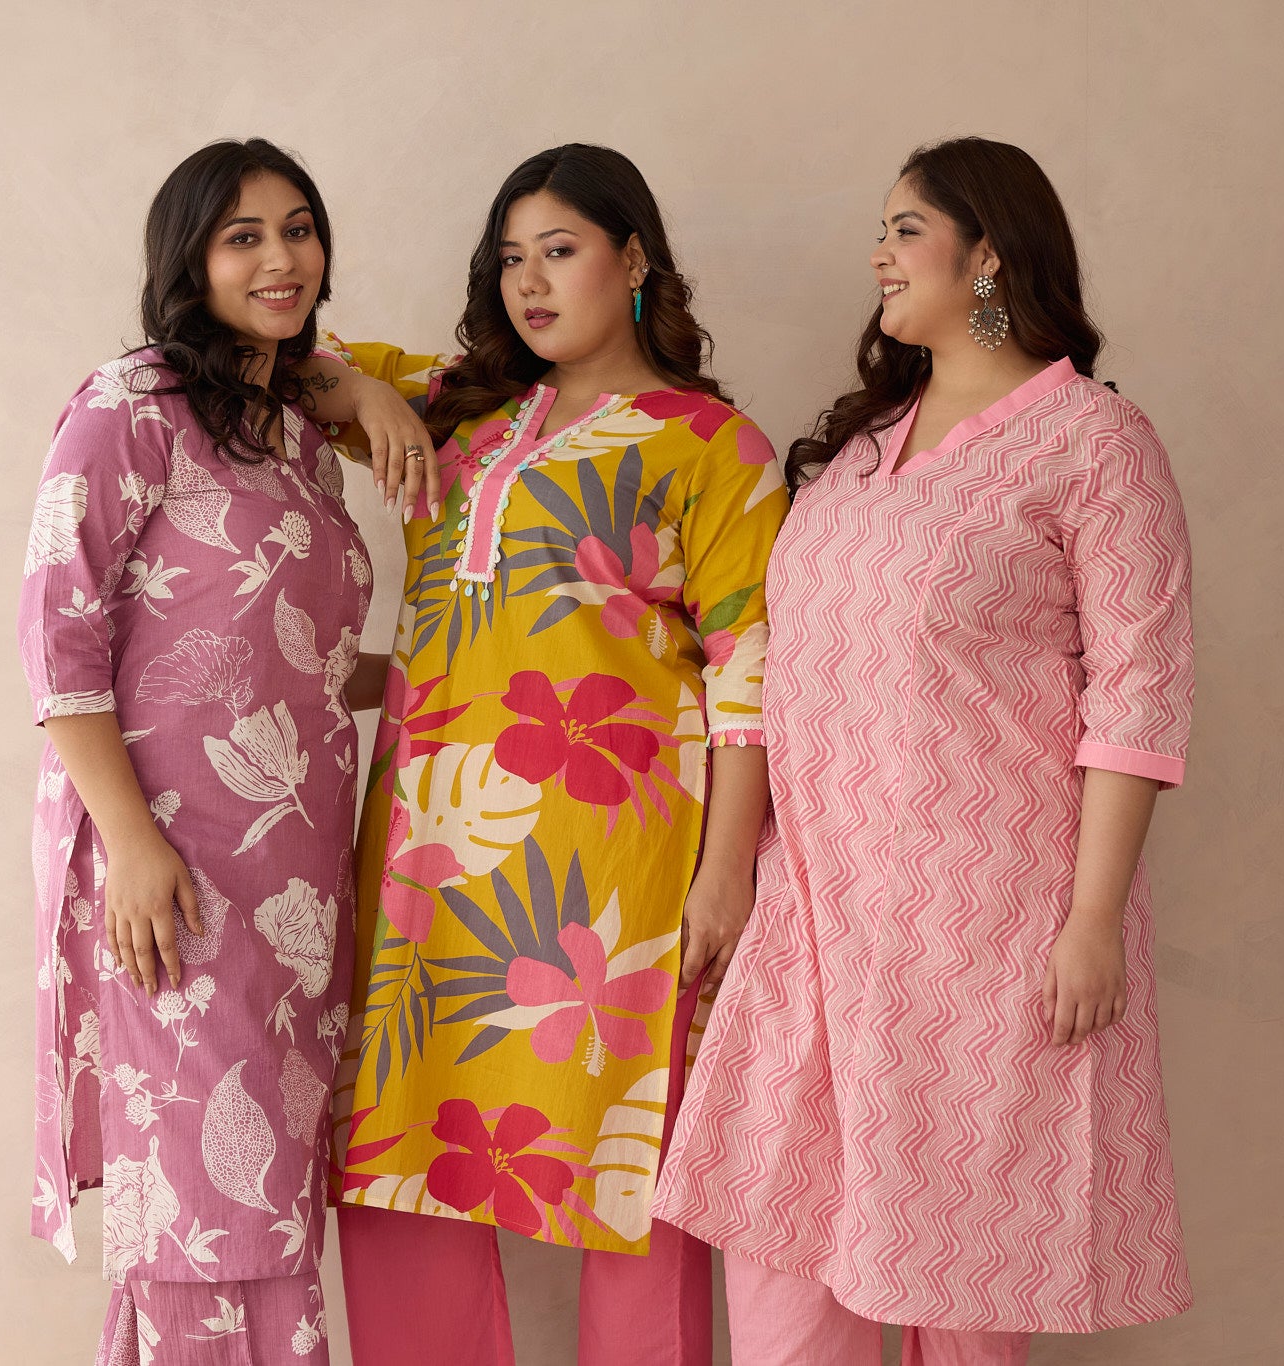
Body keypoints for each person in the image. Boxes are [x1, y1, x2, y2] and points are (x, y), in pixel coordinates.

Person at [653, 136, 1195, 1366]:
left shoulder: (1091, 443)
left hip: (984, 937)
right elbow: (777, 669)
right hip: (816, 922)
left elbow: (1140, 693)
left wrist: (1091, 918)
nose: (877, 255)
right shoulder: (855, 454)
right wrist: (735, 871)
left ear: (986, 252)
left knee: (959, 1295)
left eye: (904, 229)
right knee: (785, 1292)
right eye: (881, 231)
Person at [301, 143, 787, 1366]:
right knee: (400, 1155)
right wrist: (370, 400)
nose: (529, 282)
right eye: (510, 258)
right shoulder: (461, 412)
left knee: (627, 1178)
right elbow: (287, 361)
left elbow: (750, 674)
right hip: (426, 855)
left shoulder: (713, 446)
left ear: (633, 258)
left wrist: (725, 873)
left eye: (559, 251)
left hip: (613, 875)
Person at [15, 137, 423, 1366]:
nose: (280, 256)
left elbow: (296, 660)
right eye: (243, 235)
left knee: (262, 1197)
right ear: (188, 259)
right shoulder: (127, 406)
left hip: (292, 879)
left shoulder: (293, 429)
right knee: (205, 1203)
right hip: (171, 863)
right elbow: (56, 643)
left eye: (297, 228)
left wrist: (431, 676)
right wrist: (131, 847)